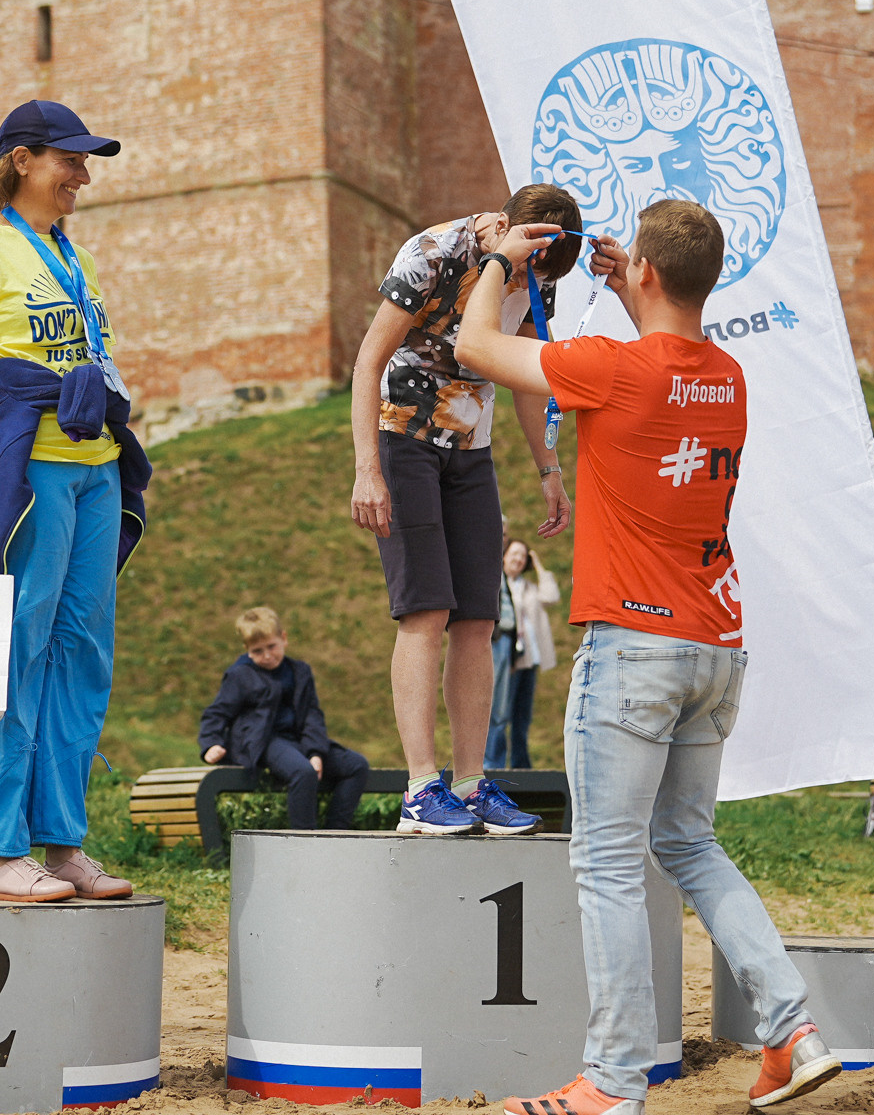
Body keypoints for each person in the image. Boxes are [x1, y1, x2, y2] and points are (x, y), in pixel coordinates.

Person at [455, 201, 844, 1115]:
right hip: (715, 645)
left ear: (649, 275)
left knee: (609, 865)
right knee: (691, 844)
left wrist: (502, 265)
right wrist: (641, 295)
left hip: (632, 650)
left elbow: (477, 347)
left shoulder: (609, 370)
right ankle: (793, 1027)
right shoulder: (730, 377)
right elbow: (668, 370)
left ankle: (614, 1082)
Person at [0, 99, 151, 904]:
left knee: (82, 654)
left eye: (85, 163)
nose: (82, 175)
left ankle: (62, 843)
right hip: (28, 467)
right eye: (69, 161)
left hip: (96, 465)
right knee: (16, 650)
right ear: (21, 160)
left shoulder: (70, 255)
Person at [349, 186, 585, 836]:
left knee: (480, 618)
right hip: (403, 440)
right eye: (529, 263)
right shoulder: (433, 252)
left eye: (547, 273)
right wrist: (368, 470)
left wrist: (549, 471)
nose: (533, 281)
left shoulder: (544, 270)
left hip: (470, 454)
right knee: (426, 610)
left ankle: (472, 783)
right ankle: (421, 789)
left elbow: (527, 378)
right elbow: (368, 362)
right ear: (506, 228)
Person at [200, 607, 371, 830]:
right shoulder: (240, 675)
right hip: (264, 741)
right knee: (303, 772)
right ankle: (304, 840)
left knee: (356, 765)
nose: (267, 656)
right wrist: (211, 743)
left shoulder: (300, 672)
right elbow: (217, 712)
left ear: (284, 638)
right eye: (258, 651)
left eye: (271, 647)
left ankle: (336, 832)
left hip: (298, 740)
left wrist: (315, 752)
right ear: (247, 650)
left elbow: (312, 714)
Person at [504, 538, 560, 770]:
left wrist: (538, 566)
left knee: (522, 716)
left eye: (523, 556)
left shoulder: (529, 587)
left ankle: (520, 765)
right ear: (503, 556)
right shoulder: (500, 586)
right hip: (508, 660)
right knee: (500, 716)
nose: (519, 559)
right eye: (514, 553)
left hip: (530, 661)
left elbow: (551, 597)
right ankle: (493, 763)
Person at [484, 542, 521, 772]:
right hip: (493, 640)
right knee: (488, 705)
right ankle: (484, 763)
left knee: (501, 709)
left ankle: (496, 764)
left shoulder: (502, 572)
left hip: (506, 641)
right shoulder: (485, 564)